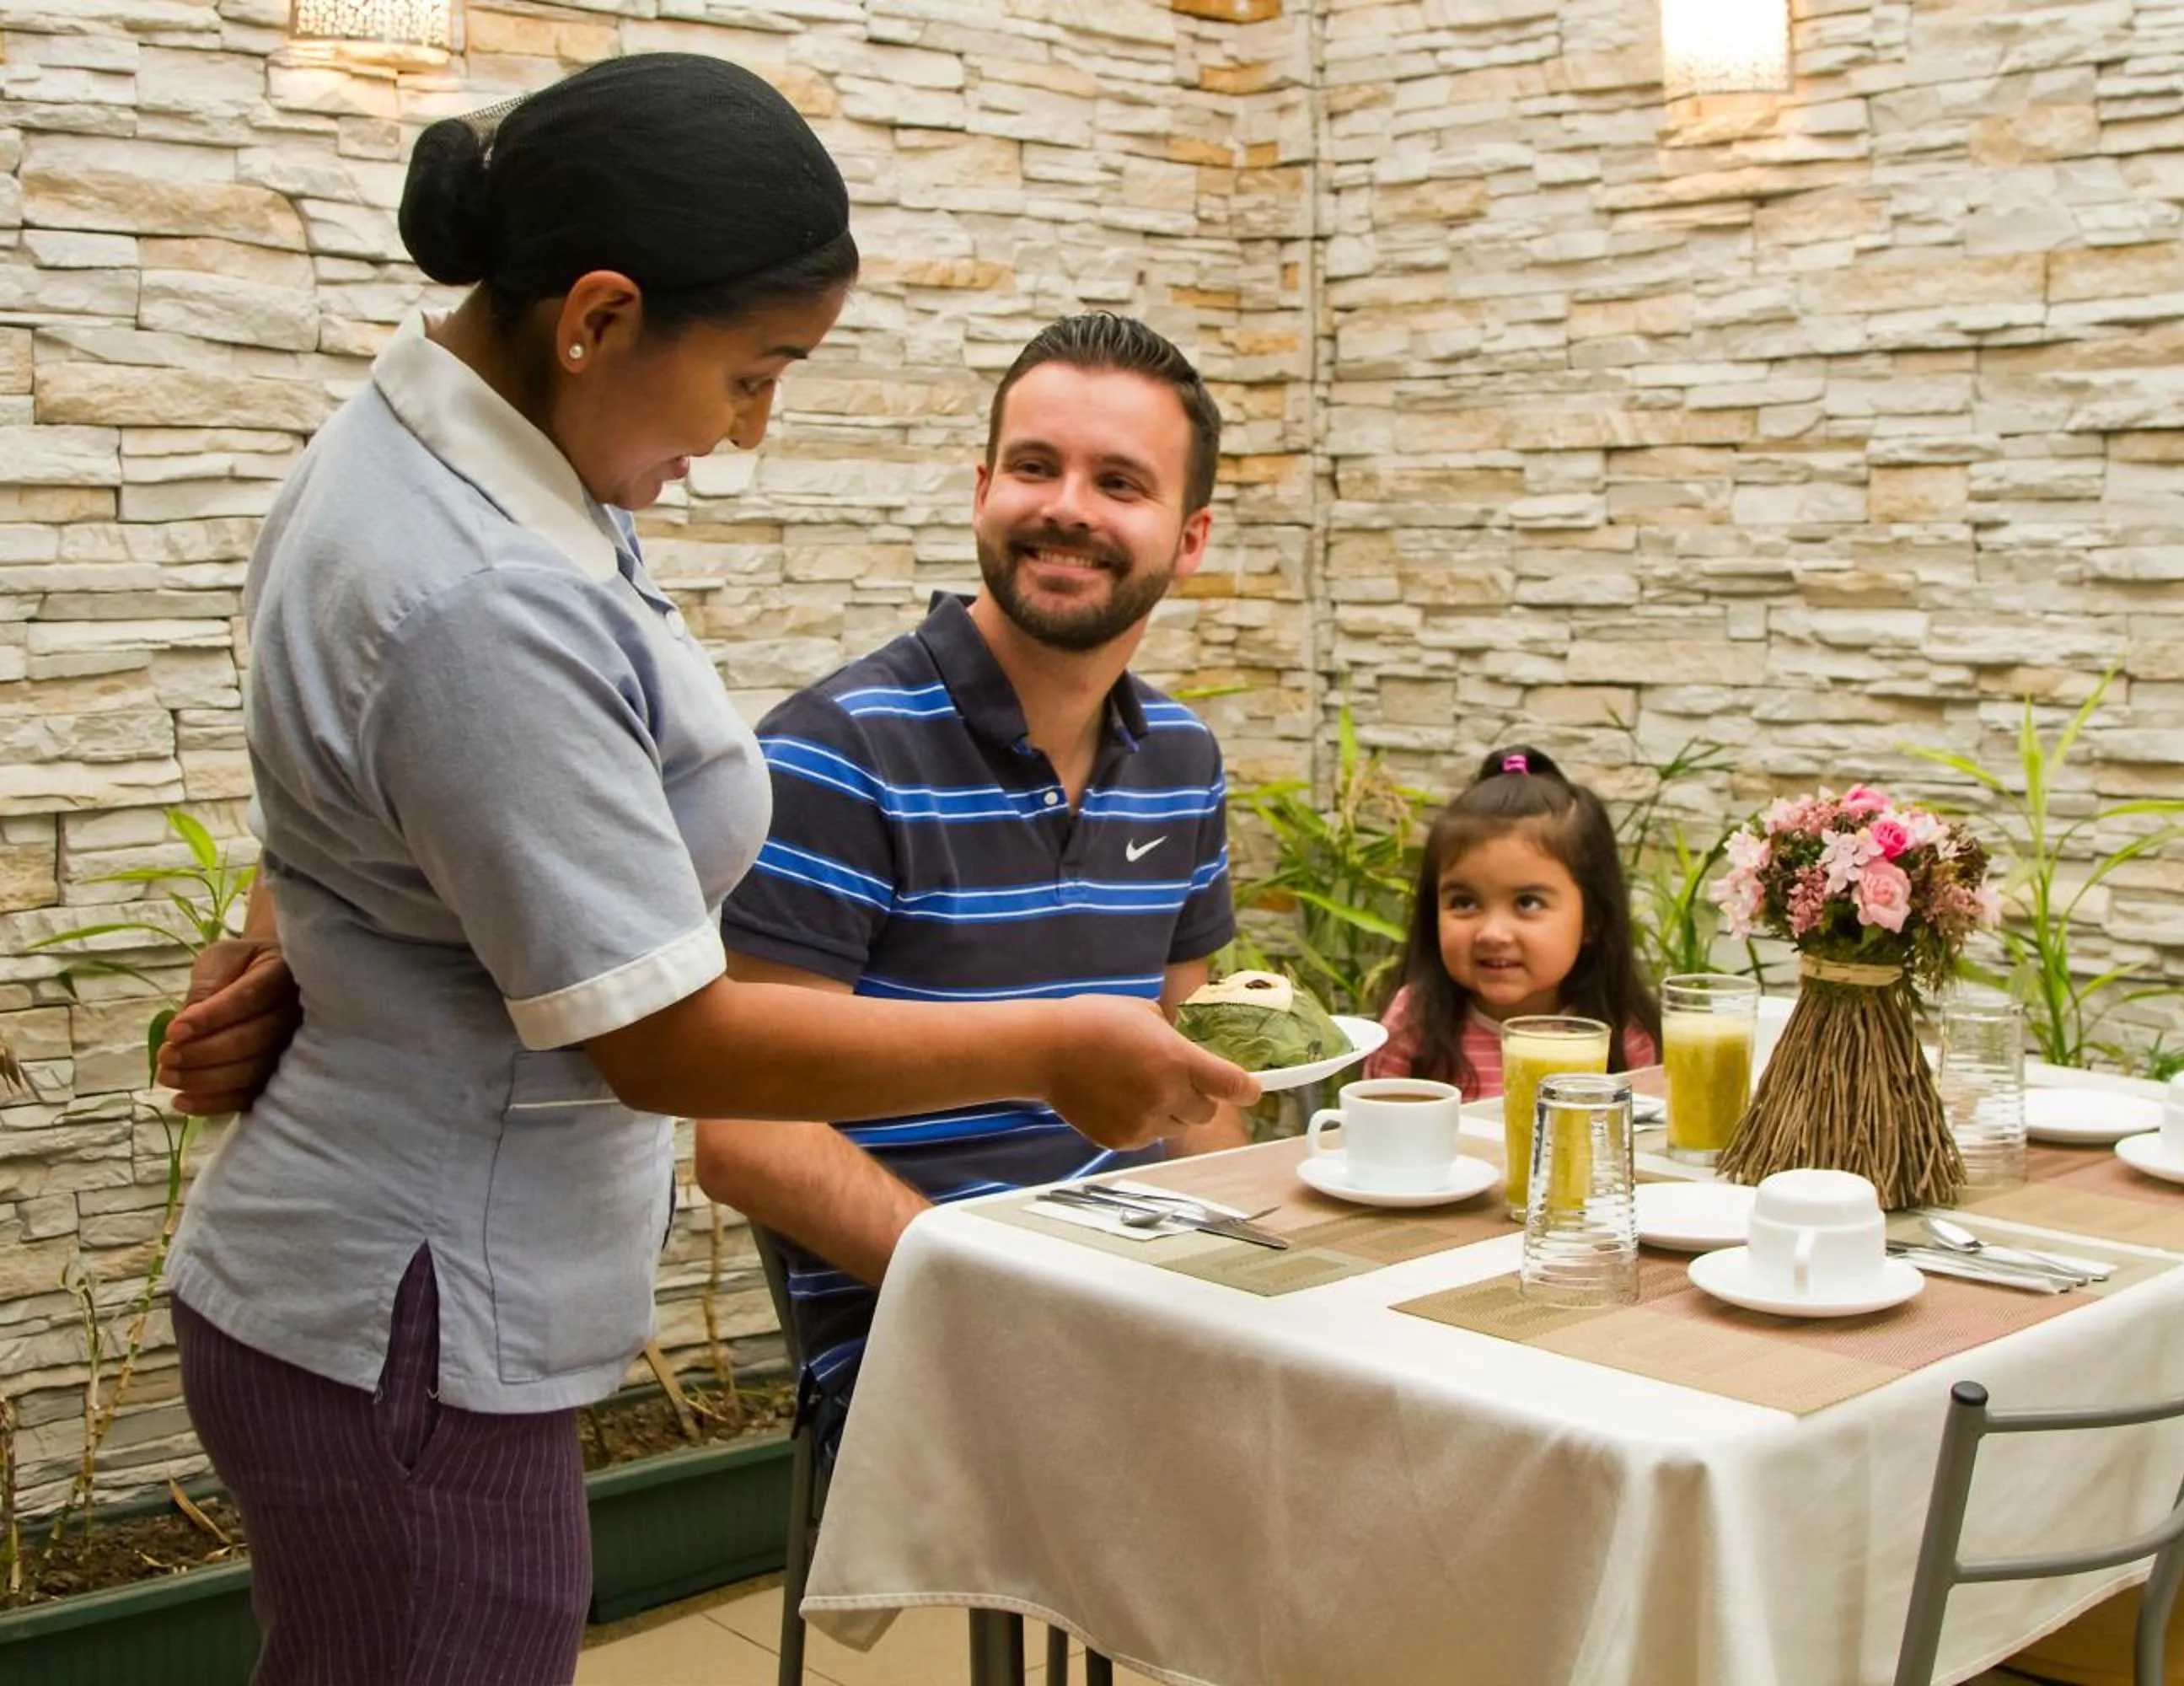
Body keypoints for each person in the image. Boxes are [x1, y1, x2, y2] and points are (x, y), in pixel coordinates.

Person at [154, 59, 1253, 1686]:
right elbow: (666, 1043)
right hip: (411, 1309)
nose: (750, 431)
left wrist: (299, 920)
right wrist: (1049, 1048)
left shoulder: (473, 457)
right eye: (752, 376)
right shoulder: (488, 590)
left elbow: (398, 777)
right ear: (597, 320)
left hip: (408, 1297)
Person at [692, 313, 1246, 1429]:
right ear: (983, 490)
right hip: (921, 1325)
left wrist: (1232, 1276)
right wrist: (998, 1298)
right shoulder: (834, 753)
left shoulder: (1182, 760)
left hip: (1140, 1302)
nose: (1068, 507)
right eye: (1035, 467)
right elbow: (743, 1133)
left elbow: (1194, 1083)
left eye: (1119, 482)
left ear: (1190, 538)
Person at [1363, 747, 1660, 1099]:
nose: (1493, 934)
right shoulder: (1414, 1022)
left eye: (1527, 903)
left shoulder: (1624, 1035)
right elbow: (1372, 1128)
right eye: (1464, 902)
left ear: (1592, 919)